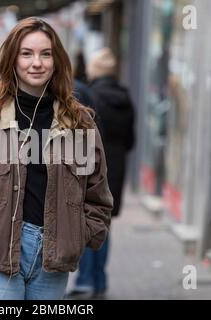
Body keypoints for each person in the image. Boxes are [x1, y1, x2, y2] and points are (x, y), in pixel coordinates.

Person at [0, 17, 113, 300]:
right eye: (26, 54)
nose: (36, 63)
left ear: (57, 61)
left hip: (52, 262)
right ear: (13, 59)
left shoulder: (79, 123)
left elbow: (99, 195)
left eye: (45, 54)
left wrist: (77, 236)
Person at [68, 47, 136, 299]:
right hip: (117, 169)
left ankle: (86, 281)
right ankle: (100, 282)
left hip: (94, 167)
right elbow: (131, 141)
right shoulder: (126, 98)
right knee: (104, 224)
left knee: (87, 222)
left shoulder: (90, 95)